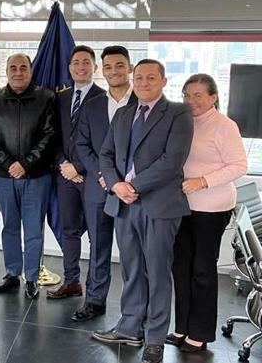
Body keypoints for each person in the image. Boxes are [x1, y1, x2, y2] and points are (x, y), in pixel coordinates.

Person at [93, 59, 194, 363]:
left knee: (158, 271)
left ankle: (155, 339)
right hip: (124, 205)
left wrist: (132, 186)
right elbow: (106, 155)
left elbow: (172, 160)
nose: (144, 82)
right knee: (132, 269)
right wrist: (115, 186)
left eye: (151, 77)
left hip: (158, 205)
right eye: (139, 77)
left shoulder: (179, 113)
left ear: (164, 81)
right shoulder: (124, 114)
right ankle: (129, 327)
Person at [167, 74, 247, 352]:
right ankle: (181, 328)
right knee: (181, 268)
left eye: (198, 95)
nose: (191, 101)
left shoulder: (224, 125)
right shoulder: (182, 121)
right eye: (187, 95)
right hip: (182, 206)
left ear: (213, 97)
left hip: (211, 208)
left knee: (202, 270)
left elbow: (238, 165)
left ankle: (199, 334)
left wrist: (203, 181)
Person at [0, 53, 57, 299]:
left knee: (34, 229)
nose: (18, 72)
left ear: (31, 71)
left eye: (23, 67)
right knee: (10, 227)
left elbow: (49, 135)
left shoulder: (46, 97)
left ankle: (32, 278)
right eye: (12, 68)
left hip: (36, 177)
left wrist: (25, 163)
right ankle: (12, 274)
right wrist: (7, 163)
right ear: (6, 71)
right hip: (4, 177)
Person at [73, 45, 136, 321]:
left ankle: (134, 310)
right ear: (102, 69)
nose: (114, 71)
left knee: (133, 252)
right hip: (98, 189)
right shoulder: (93, 104)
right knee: (98, 248)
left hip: (133, 191)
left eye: (119, 65)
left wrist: (123, 181)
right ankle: (95, 301)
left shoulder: (143, 102)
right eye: (108, 66)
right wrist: (104, 175)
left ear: (130, 67)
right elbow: (82, 145)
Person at [47, 45, 105, 300]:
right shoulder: (59, 97)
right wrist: (64, 165)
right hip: (65, 176)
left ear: (94, 67)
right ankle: (72, 282)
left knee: (96, 234)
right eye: (76, 63)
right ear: (69, 68)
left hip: (93, 177)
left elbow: (105, 142)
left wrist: (80, 168)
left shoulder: (105, 98)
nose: (81, 67)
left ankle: (94, 288)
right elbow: (54, 136)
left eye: (86, 62)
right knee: (69, 230)